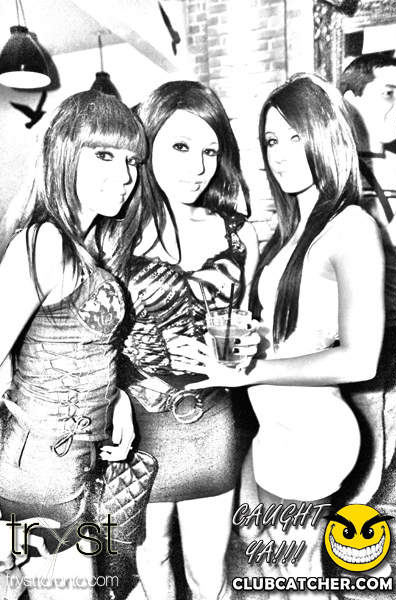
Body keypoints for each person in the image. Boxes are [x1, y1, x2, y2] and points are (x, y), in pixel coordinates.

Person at [175, 74, 385, 593]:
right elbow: (295, 329)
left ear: (326, 134)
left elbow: (360, 359)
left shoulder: (352, 227)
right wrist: (250, 340)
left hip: (312, 438)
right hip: (274, 432)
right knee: (266, 569)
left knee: (295, 580)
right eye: (272, 141)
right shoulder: (293, 229)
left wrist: (249, 372)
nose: (282, 154)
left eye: (296, 136)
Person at [100, 80, 259, 600]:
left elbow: (244, 325)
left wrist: (246, 348)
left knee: (207, 573)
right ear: (147, 145)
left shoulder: (238, 234)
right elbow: (91, 338)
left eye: (210, 151)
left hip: (211, 420)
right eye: (181, 147)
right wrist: (114, 396)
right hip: (136, 426)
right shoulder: (109, 233)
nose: (199, 166)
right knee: (151, 560)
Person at [0, 90, 148, 599]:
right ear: (64, 153)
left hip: (72, 463)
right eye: (104, 155)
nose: (124, 175)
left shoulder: (84, 246)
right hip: (37, 470)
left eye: (131, 161)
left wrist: (117, 397)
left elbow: (75, 345)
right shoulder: (45, 241)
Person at [339, 53, 396, 503]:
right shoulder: (335, 172)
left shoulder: (392, 167)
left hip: (395, 325)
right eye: (388, 93)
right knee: (362, 448)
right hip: (360, 334)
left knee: (388, 438)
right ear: (351, 100)